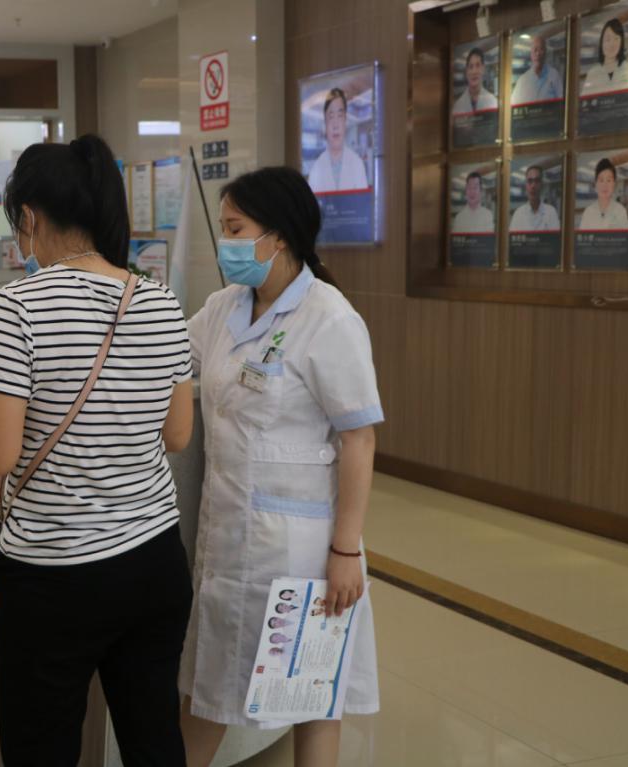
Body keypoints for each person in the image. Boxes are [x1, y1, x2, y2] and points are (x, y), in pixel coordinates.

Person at [0, 133, 195, 767]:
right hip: (154, 559)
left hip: (54, 576)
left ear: (30, 217)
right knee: (154, 740)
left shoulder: (17, 306)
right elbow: (177, 435)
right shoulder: (160, 301)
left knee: (42, 749)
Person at [178, 167, 381, 767]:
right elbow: (169, 357)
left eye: (236, 229)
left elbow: (359, 439)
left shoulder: (329, 317)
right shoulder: (222, 308)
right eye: (223, 229)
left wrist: (345, 550)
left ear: (280, 236)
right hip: (227, 535)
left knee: (312, 692)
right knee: (210, 687)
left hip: (301, 550)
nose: (227, 243)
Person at [307, 88, 369, 193]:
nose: (335, 125)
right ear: (325, 124)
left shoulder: (357, 164)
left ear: (345, 121)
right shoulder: (316, 168)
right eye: (331, 117)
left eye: (340, 116)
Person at [582, 17, 628, 97]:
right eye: (608, 39)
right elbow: (585, 101)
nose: (612, 44)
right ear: (601, 43)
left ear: (621, 42)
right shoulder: (593, 73)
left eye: (616, 38)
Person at [579, 158, 628, 230]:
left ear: (614, 184)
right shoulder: (588, 212)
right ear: (596, 184)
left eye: (608, 180)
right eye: (601, 180)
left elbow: (625, 236)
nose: (605, 185)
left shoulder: (621, 211)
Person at [512, 34, 564, 105]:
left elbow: (562, 102)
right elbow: (513, 105)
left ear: (545, 52)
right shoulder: (522, 81)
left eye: (541, 49)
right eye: (535, 49)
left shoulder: (554, 76)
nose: (538, 53)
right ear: (531, 54)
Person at [509, 165, 560, 232]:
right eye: (530, 181)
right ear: (526, 185)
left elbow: (556, 237)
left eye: (537, 181)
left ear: (542, 184)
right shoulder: (518, 214)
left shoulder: (551, 212)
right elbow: (512, 238)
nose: (533, 186)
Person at [452, 47, 498, 115]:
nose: (474, 71)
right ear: (466, 72)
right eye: (470, 67)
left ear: (483, 69)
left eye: (478, 65)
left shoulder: (493, 102)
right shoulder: (458, 106)